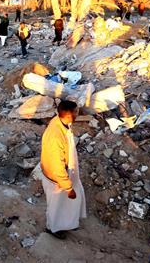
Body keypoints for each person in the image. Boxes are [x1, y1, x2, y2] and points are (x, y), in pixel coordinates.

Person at [40, 100, 86, 239]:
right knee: (55, 207)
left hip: (61, 175)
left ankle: (65, 223)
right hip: (56, 179)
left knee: (62, 205)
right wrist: (68, 187)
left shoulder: (60, 122)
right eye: (76, 112)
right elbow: (57, 167)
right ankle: (53, 229)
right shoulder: (56, 137)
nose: (78, 114)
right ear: (68, 116)